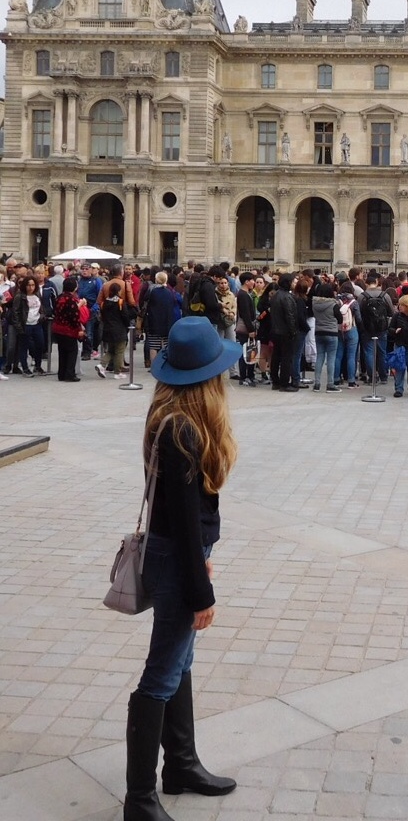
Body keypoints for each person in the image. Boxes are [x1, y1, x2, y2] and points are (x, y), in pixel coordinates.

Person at [123, 318, 241, 820]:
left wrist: (203, 562)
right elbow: (185, 523)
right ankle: (140, 799)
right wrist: (201, 592)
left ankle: (181, 764)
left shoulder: (174, 419)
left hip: (181, 554)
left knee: (179, 662)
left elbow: (189, 517)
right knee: (161, 674)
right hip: (176, 560)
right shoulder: (181, 430)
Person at [52, 277, 89, 382]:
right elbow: (74, 317)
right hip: (68, 329)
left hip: (58, 328)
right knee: (72, 351)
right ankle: (70, 374)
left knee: (62, 351)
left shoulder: (59, 297)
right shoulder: (71, 300)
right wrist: (79, 330)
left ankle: (62, 374)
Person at [96, 282, 132, 379]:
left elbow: (102, 317)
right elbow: (125, 316)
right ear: (118, 291)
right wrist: (128, 325)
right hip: (119, 330)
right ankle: (117, 372)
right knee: (119, 351)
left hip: (107, 329)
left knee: (111, 350)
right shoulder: (120, 302)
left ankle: (102, 365)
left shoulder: (104, 303)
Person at [311, 282, 342, 392]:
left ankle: (317, 383)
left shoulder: (314, 304)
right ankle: (330, 384)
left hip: (318, 332)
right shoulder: (334, 305)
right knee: (331, 359)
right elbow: (340, 319)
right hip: (332, 333)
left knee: (319, 357)